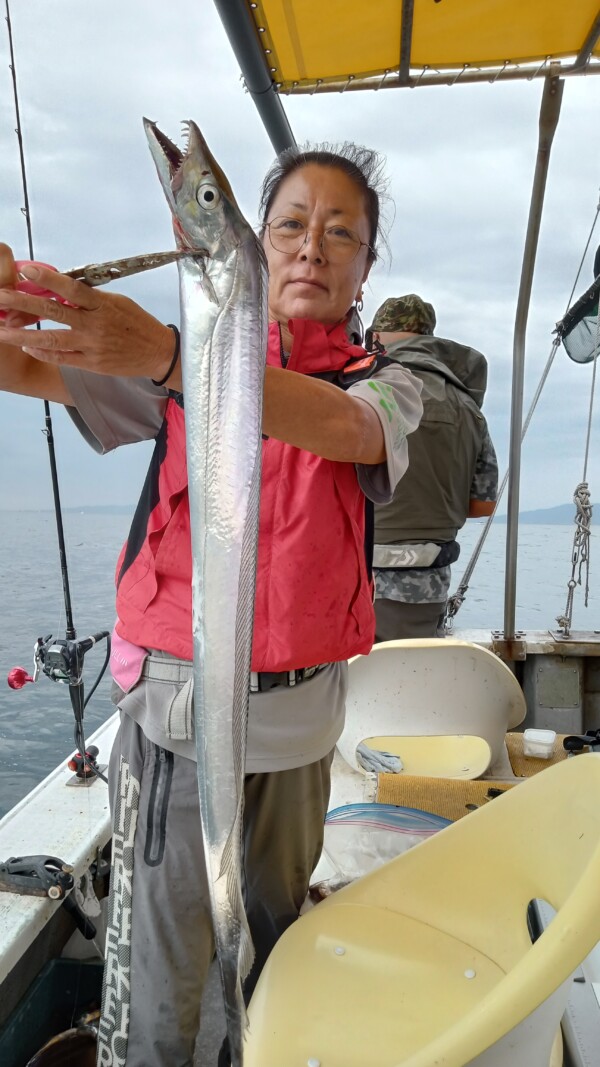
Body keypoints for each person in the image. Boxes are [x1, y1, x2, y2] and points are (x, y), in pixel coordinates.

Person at [0, 143, 423, 1067]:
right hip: (179, 725)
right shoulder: (172, 374)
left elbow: (347, 428)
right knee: (163, 979)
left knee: (275, 953)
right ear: (255, 247)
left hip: (302, 736)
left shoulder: (387, 387)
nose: (313, 247)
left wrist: (173, 358)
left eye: (341, 232)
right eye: (291, 225)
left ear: (365, 267)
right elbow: (25, 366)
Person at [367, 294, 498, 641]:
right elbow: (483, 505)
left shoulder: (361, 389)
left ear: (377, 336)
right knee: (411, 681)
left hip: (355, 585)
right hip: (428, 590)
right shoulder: (468, 407)